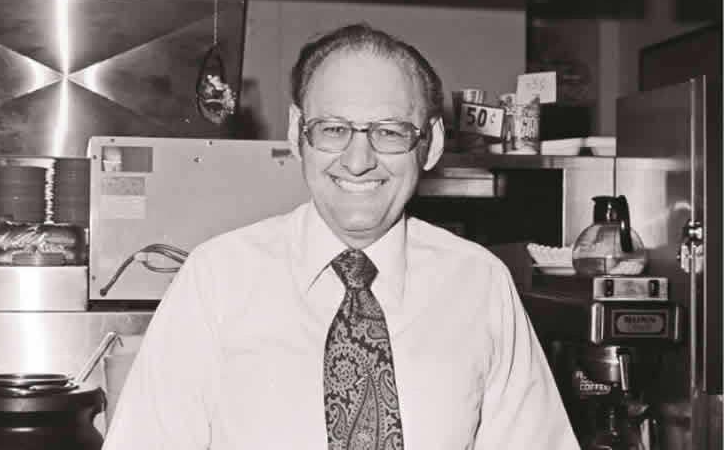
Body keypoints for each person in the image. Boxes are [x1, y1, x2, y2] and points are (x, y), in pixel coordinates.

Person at [103, 23, 578, 450]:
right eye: (333, 129)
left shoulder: (480, 284)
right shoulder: (216, 281)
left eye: (390, 132)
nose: (357, 161)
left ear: (429, 143)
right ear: (296, 134)